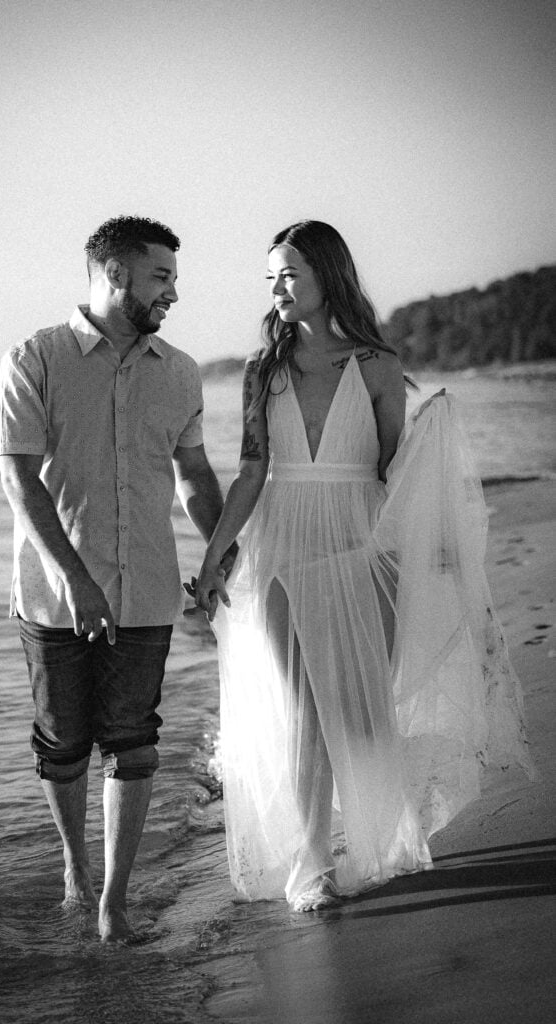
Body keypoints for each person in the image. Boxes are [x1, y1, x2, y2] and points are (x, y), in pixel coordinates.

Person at [193, 220, 533, 910]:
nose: (277, 288)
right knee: (303, 710)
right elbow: (250, 473)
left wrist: (432, 549)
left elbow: (390, 472)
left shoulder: (377, 365)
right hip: (282, 541)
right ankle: (312, 864)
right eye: (270, 278)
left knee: (357, 711)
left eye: (289, 273)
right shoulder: (263, 373)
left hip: (359, 540)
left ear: (327, 274)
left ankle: (380, 836)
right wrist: (211, 560)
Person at [0, 215, 232, 941]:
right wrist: (77, 581)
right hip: (53, 594)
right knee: (62, 742)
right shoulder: (34, 358)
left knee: (133, 737)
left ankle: (113, 902)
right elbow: (20, 484)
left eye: (174, 279)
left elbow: (191, 473)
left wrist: (219, 551)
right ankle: (74, 867)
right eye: (162, 277)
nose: (174, 294)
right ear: (116, 274)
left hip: (150, 588)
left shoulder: (181, 371)